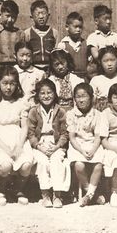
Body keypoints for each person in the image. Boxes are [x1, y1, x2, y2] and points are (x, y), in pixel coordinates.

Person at [0, 66, 34, 206]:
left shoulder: (21, 103)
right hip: (0, 141)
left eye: (12, 83)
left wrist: (19, 146)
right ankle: (0, 190)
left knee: (26, 165)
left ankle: (18, 190)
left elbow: (24, 126)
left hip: (18, 139)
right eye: (5, 83)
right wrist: (6, 149)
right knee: (6, 164)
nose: (8, 87)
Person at [27, 79, 70, 208]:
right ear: (38, 96)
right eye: (42, 93)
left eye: (49, 92)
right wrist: (39, 147)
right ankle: (45, 194)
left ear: (55, 94)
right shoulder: (34, 111)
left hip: (56, 144)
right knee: (42, 162)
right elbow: (31, 134)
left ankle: (57, 195)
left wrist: (57, 147)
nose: (46, 96)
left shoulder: (60, 111)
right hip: (40, 144)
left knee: (57, 161)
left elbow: (64, 133)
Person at [66, 83, 106, 207]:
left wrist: (93, 149)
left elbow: (98, 136)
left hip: (94, 144)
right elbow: (72, 137)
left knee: (98, 164)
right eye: (78, 97)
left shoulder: (98, 115)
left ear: (91, 98)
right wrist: (82, 151)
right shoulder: (71, 114)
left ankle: (88, 195)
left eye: (84, 96)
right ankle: (90, 193)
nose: (81, 100)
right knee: (79, 165)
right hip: (77, 145)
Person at [90, 46, 117, 111]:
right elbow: (92, 103)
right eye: (105, 61)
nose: (109, 64)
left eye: (112, 60)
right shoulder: (95, 80)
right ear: (100, 62)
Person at [0, 0, 24, 76]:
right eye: (7, 16)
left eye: (13, 17)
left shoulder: (20, 34)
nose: (10, 20)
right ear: (0, 15)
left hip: (15, 67)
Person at [24, 0, 59, 70]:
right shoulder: (27, 33)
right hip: (33, 68)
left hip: (50, 68)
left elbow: (57, 52)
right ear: (32, 17)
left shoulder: (54, 32)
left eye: (43, 13)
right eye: (38, 14)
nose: (41, 17)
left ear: (48, 15)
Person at [57, 12, 88, 79]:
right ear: (67, 27)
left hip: (84, 78)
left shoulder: (85, 43)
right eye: (75, 27)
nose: (78, 30)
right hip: (69, 78)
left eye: (80, 27)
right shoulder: (62, 45)